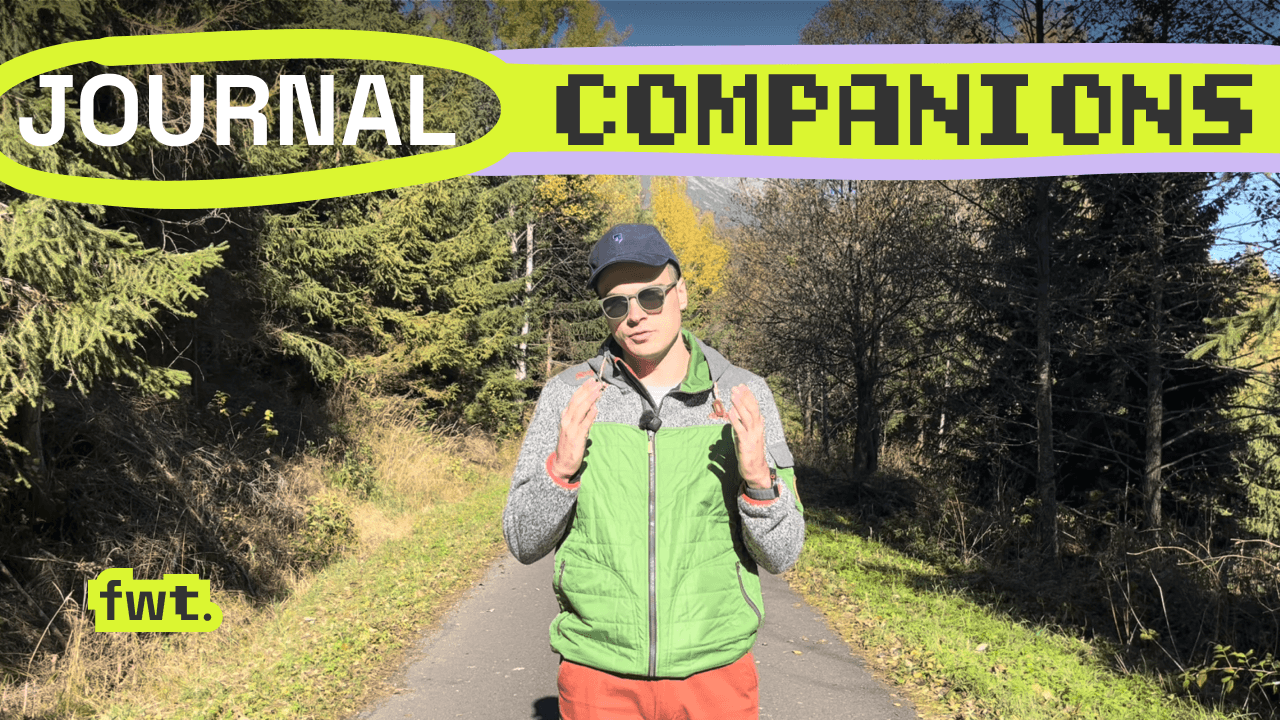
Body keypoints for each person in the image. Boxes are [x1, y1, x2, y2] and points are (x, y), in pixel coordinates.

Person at [503, 223, 804, 720]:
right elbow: (522, 539)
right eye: (616, 304)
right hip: (598, 678)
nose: (635, 315)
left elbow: (783, 553)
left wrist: (759, 484)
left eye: (650, 296)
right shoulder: (568, 395)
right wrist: (561, 471)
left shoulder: (742, 395)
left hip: (715, 677)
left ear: (680, 293)